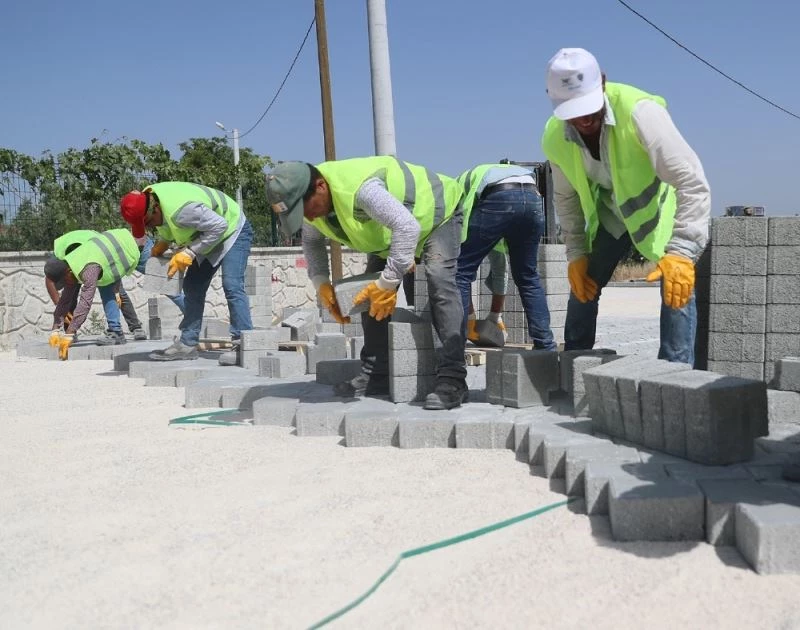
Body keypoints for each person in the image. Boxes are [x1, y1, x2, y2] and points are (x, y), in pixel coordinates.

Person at [541, 48, 710, 365]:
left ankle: (675, 377)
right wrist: (576, 253)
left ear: (602, 83)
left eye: (589, 107)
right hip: (612, 218)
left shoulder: (640, 112)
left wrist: (683, 251)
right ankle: (574, 366)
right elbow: (567, 199)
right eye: (573, 112)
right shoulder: (554, 137)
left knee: (676, 284)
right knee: (584, 283)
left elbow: (692, 182)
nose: (584, 119)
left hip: (657, 214)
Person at [265, 157, 469, 410]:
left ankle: (453, 379)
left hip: (439, 214)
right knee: (368, 292)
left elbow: (407, 227)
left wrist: (389, 281)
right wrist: (321, 284)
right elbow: (312, 243)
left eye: (304, 208)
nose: (307, 216)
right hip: (397, 232)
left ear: (320, 187)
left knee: (439, 281)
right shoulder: (313, 207)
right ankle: (377, 374)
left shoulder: (361, 190)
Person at [119, 182, 253, 365]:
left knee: (232, 285)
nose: (149, 226)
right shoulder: (150, 199)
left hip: (232, 229)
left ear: (155, 209)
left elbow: (220, 226)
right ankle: (187, 344)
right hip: (209, 234)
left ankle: (243, 345)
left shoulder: (183, 211)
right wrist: (164, 242)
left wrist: (190, 252)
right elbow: (167, 225)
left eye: (148, 222)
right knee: (193, 286)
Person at [455, 163, 556, 350]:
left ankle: (455, 348)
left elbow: (465, 267)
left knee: (460, 271)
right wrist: (495, 315)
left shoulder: (458, 191)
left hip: (499, 195)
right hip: (533, 197)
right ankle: (546, 346)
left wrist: (474, 320)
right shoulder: (488, 177)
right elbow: (499, 264)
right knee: (528, 277)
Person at [46, 229, 142, 360]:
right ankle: (119, 331)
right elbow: (65, 300)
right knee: (106, 288)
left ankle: (130, 328)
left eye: (65, 281)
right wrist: (55, 329)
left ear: (68, 271)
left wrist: (69, 333)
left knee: (162, 278)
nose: (66, 284)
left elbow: (85, 303)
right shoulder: (68, 266)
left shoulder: (88, 270)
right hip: (107, 254)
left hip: (132, 248)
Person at [465, 249, 508, 346]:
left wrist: (496, 316)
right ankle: (470, 319)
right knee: (465, 272)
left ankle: (495, 316)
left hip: (497, 239)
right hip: (472, 235)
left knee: (501, 270)